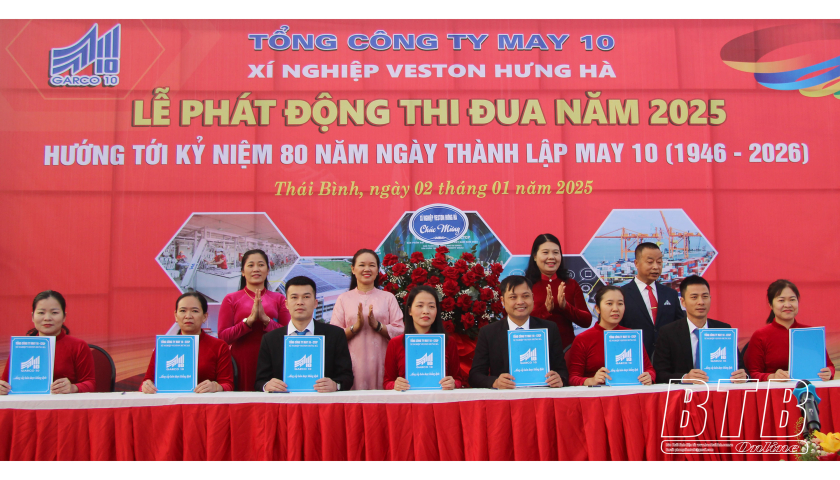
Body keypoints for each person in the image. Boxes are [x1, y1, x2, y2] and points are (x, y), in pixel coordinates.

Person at [255, 276, 354, 392]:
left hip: (322, 401)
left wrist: (336, 385)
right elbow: (260, 381)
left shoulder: (335, 335)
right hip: (285, 401)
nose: (300, 302)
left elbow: (347, 377)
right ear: (286, 304)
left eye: (306, 297)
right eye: (294, 297)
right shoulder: (270, 339)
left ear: (315, 303)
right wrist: (267, 385)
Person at [469, 275, 568, 389]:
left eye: (525, 296)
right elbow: (475, 376)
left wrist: (560, 379)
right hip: (505, 396)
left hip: (541, 395)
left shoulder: (549, 329)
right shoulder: (488, 333)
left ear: (533, 298)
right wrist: (495, 382)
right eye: (513, 297)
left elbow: (562, 371)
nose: (520, 302)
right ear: (503, 301)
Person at [330, 249, 404, 390]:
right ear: (353, 269)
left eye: (372, 265)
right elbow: (334, 336)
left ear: (377, 270)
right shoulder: (343, 299)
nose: (367, 269)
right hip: (350, 365)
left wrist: (378, 326)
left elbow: (400, 331)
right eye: (362, 265)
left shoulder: (388, 298)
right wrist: (354, 328)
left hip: (382, 362)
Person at [217, 249, 291, 391]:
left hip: (273, 359)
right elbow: (223, 337)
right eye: (250, 265)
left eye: (261, 265)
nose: (256, 269)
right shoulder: (231, 299)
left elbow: (288, 334)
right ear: (243, 272)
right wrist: (248, 322)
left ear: (268, 270)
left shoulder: (279, 299)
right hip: (242, 361)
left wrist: (266, 321)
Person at [653, 275, 748, 384]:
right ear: (683, 302)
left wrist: (743, 376)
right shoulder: (668, 332)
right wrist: (685, 378)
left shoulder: (724, 330)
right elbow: (660, 374)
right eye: (694, 297)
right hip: (685, 392)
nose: (701, 302)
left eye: (705, 296)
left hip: (718, 390)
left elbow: (741, 368)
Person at [0, 291, 95, 395]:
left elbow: (90, 384)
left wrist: (73, 388)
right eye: (41, 313)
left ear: (64, 316)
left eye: (54, 313)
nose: (47, 318)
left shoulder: (78, 346)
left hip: (64, 404)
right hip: (28, 403)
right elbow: (4, 382)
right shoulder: (21, 347)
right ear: (32, 316)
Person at [141, 292, 234, 394]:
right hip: (170, 402)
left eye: (195, 311)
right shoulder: (164, 346)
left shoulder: (219, 346)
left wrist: (216, 387)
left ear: (205, 316)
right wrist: (146, 387)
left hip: (204, 402)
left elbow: (228, 385)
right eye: (183, 311)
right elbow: (146, 382)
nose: (188, 316)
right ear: (176, 316)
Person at [745, 279, 835, 382]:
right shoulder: (760, 335)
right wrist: (772, 377)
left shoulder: (811, 333)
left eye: (792, 300)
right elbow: (752, 374)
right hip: (774, 390)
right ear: (770, 304)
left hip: (807, 389)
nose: (788, 305)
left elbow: (829, 366)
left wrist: (829, 372)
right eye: (781, 300)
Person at [567, 286, 655, 386]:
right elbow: (573, 378)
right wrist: (591, 381)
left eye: (620, 304)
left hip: (629, 391)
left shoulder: (632, 336)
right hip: (597, 393)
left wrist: (649, 376)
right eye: (609, 304)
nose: (615, 309)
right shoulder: (583, 339)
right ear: (597, 309)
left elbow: (649, 369)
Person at [383, 286, 462, 390]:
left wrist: (453, 384)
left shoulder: (448, 342)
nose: (426, 311)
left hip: (439, 399)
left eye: (431, 306)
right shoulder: (395, 343)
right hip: (407, 399)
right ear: (410, 310)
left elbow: (458, 379)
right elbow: (387, 382)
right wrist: (395, 385)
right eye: (420, 306)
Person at [526, 233, 593, 349]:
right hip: (533, 348)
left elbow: (587, 321)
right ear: (535, 256)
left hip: (567, 349)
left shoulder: (571, 284)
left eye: (556, 252)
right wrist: (545, 310)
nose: (551, 257)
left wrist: (565, 307)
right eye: (545, 252)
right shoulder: (525, 285)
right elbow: (518, 320)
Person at [619, 242, 686, 356]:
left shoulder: (671, 294)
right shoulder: (622, 294)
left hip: (667, 358)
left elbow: (680, 327)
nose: (656, 267)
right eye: (650, 262)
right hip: (634, 356)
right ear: (636, 263)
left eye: (659, 262)